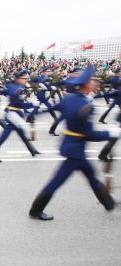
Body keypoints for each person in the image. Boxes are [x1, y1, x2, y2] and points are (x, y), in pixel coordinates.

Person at [29, 65, 120, 221]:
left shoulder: (69, 98)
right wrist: (111, 132)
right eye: (92, 80)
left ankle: (109, 203)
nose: (94, 83)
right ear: (86, 85)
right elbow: (89, 134)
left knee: (92, 177)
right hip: (75, 150)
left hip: (71, 146)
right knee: (57, 181)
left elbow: (54, 107)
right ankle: (36, 210)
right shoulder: (86, 106)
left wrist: (33, 113)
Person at [0, 70, 40, 163]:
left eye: (27, 78)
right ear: (19, 78)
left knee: (21, 134)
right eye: (25, 78)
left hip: (15, 114)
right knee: (5, 136)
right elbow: (18, 104)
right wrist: (32, 105)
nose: (26, 80)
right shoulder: (17, 89)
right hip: (13, 115)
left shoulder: (16, 87)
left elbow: (3, 92)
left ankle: (32, 151)